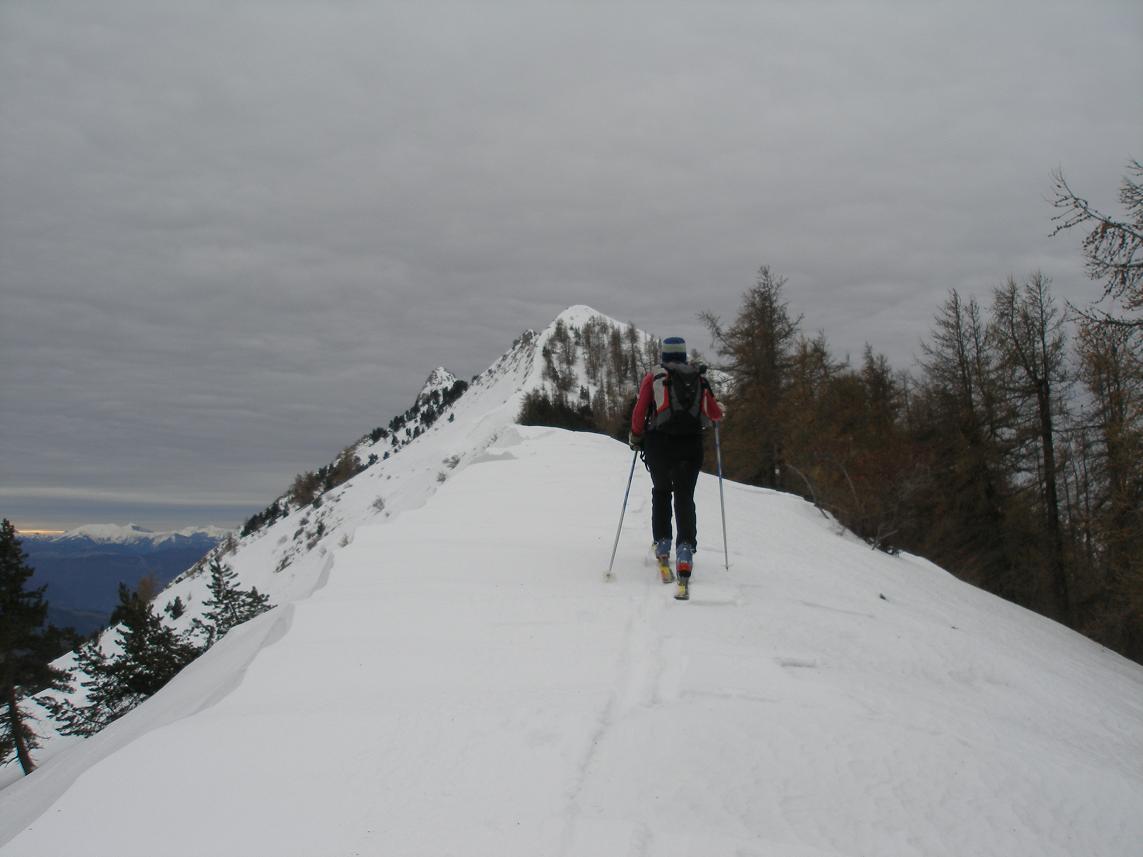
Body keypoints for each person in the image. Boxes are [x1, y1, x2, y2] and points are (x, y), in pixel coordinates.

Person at [628, 336, 723, 600]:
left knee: (661, 491)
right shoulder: (699, 378)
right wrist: (718, 413)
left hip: (659, 444)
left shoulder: (654, 377)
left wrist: (636, 437)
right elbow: (714, 413)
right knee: (684, 497)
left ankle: (663, 543)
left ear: (664, 356)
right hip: (690, 445)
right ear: (683, 356)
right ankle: (685, 550)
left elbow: (639, 413)